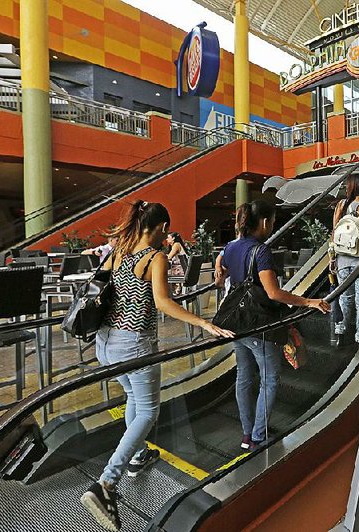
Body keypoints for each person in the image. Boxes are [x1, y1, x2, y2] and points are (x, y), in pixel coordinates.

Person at [81, 200, 233, 532]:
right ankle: (106, 484)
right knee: (149, 410)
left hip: (105, 344)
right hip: (134, 343)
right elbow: (163, 302)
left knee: (134, 399)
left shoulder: (119, 250)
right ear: (162, 228)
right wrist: (204, 323)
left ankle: (136, 456)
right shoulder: (155, 257)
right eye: (166, 231)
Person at [220, 199, 330, 452]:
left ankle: (247, 434)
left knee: (244, 378)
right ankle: (259, 435)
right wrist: (308, 301)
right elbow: (273, 293)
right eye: (273, 222)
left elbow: (223, 268)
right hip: (259, 325)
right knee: (269, 379)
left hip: (236, 323)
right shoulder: (261, 251)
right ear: (266, 222)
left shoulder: (230, 247)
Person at [333, 174, 359, 347]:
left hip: (342, 260)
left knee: (344, 298)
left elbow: (333, 234)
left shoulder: (341, 206)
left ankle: (340, 333)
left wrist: (332, 258)